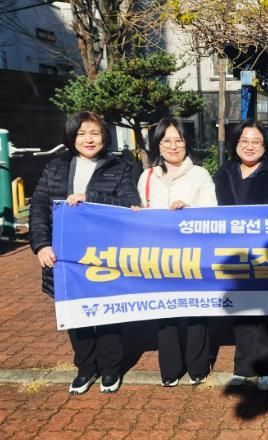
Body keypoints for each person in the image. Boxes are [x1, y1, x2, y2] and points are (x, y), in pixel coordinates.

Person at [30, 111, 141, 394]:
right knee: (75, 315)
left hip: (105, 255)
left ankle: (110, 369)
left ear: (104, 137)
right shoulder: (55, 167)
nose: (88, 139)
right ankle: (85, 368)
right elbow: (39, 207)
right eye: (81, 134)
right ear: (71, 137)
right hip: (65, 257)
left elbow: (130, 205)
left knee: (107, 314)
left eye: (95, 133)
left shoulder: (120, 167)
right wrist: (41, 245)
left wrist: (89, 199)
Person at [214, 120, 268, 391]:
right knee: (242, 309)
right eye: (244, 141)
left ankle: (266, 368)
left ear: (265, 146)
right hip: (235, 252)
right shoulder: (223, 173)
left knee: (267, 311)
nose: (250, 146)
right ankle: (243, 368)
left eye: (256, 141)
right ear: (235, 144)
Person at [137, 117, 217, 387]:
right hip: (159, 257)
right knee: (165, 311)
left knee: (196, 311)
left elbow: (212, 211)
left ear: (187, 143)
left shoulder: (200, 175)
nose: (173, 146)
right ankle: (170, 369)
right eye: (166, 141)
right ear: (158, 145)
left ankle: (198, 366)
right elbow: (140, 213)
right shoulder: (147, 177)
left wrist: (189, 211)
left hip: (193, 255)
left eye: (178, 140)